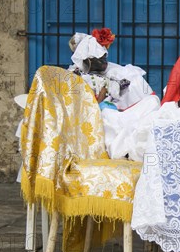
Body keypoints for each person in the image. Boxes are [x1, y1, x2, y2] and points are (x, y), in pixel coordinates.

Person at [68, 30, 160, 160]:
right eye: (99, 59)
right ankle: (125, 147)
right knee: (113, 119)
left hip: (120, 112)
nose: (103, 62)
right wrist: (103, 95)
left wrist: (117, 88)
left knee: (152, 101)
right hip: (101, 115)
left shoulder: (116, 70)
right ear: (87, 60)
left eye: (104, 57)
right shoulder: (76, 78)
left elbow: (128, 92)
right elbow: (84, 110)